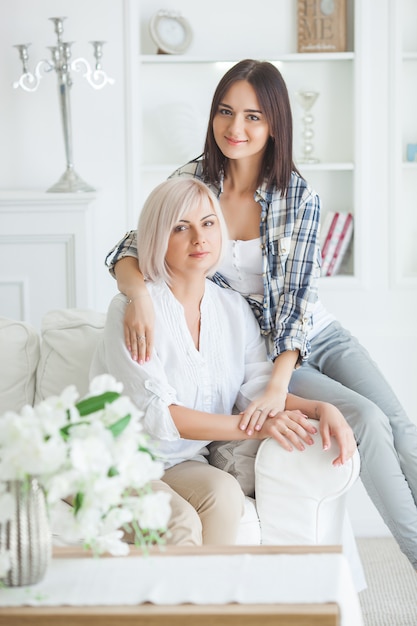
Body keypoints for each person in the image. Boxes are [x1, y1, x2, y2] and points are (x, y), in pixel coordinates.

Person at [105, 59, 417, 569]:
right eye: (226, 113)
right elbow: (128, 247)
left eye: (253, 117)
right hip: (262, 344)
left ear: (274, 124)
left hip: (314, 332)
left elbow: (296, 303)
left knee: (404, 427)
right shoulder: (192, 179)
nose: (236, 128)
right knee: (371, 422)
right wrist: (138, 296)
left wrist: (278, 387)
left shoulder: (297, 195)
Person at [93, 176, 356, 545]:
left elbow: (257, 393)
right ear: (156, 238)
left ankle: (212, 598)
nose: (199, 238)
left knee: (225, 494)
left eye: (208, 223)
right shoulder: (130, 310)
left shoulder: (233, 309)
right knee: (179, 521)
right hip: (117, 464)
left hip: (179, 464)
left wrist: (318, 408)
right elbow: (162, 416)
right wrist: (256, 428)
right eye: (180, 227)